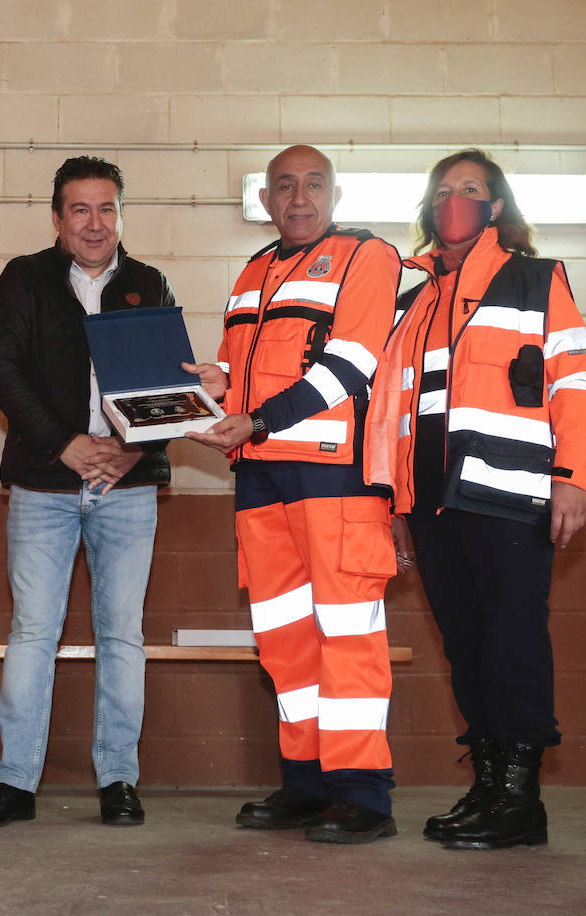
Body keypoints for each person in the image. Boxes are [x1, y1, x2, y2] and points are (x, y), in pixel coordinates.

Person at [365, 149, 586, 850]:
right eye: (443, 191)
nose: (454, 201)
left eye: (470, 189)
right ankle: (490, 785)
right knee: (465, 647)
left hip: (510, 493)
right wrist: (397, 504)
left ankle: (522, 799)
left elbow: (577, 382)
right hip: (434, 502)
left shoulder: (536, 278)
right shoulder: (414, 297)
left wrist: (572, 477)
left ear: (496, 206)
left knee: (512, 641)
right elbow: (395, 409)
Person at [185, 145, 401, 845]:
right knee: (285, 643)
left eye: (313, 185)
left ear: (334, 193)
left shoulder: (367, 257)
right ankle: (306, 785)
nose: (299, 198)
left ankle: (362, 794)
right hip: (258, 479)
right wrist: (212, 389)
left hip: (332, 476)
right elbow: (243, 370)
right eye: (285, 186)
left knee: (347, 636)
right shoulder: (251, 272)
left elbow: (352, 364)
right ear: (268, 198)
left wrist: (258, 418)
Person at [0, 156, 173, 829]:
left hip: (126, 486)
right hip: (44, 483)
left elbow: (168, 390)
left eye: (106, 208)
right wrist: (66, 444)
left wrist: (132, 449)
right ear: (57, 218)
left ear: (120, 215)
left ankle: (119, 782)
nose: (94, 222)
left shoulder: (147, 284)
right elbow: (2, 369)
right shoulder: (25, 279)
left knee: (122, 636)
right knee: (32, 632)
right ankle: (16, 783)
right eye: (79, 209)